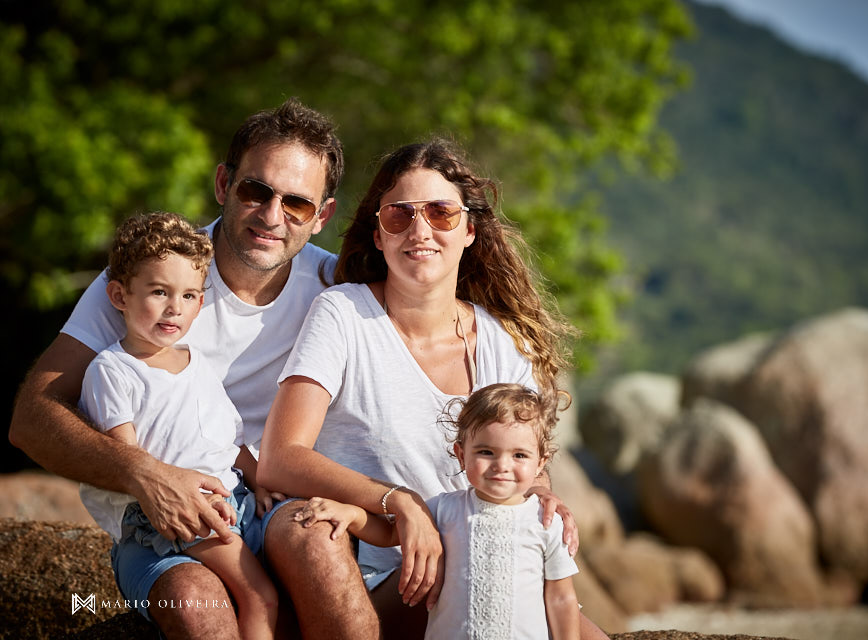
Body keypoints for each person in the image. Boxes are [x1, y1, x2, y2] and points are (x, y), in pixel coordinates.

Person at [7, 98, 374, 638]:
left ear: (321, 216)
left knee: (319, 545)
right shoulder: (153, 278)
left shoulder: (336, 291)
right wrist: (147, 474)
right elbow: (32, 417)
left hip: (270, 500)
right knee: (195, 603)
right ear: (224, 184)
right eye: (257, 190)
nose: (273, 216)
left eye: (296, 204)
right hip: (160, 522)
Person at [257, 139, 608, 639]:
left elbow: (529, 470)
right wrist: (399, 501)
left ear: (468, 230)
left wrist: (546, 499)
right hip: (370, 570)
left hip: (475, 564)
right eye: (399, 216)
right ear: (378, 235)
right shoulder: (343, 313)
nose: (419, 230)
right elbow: (281, 457)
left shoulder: (499, 343)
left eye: (441, 213)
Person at [79, 212, 277, 636]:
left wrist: (262, 481)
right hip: (182, 517)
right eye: (159, 291)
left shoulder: (198, 363)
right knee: (260, 596)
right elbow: (126, 460)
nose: (175, 308)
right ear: (119, 296)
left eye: (189, 295)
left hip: (235, 502)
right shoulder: (113, 370)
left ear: (200, 303)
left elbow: (228, 441)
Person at [293, 382, 581, 640]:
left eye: (519, 455)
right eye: (486, 452)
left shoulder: (545, 522)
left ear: (540, 463)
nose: (502, 465)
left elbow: (560, 598)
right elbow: (389, 532)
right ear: (460, 454)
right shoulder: (444, 508)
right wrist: (350, 514)